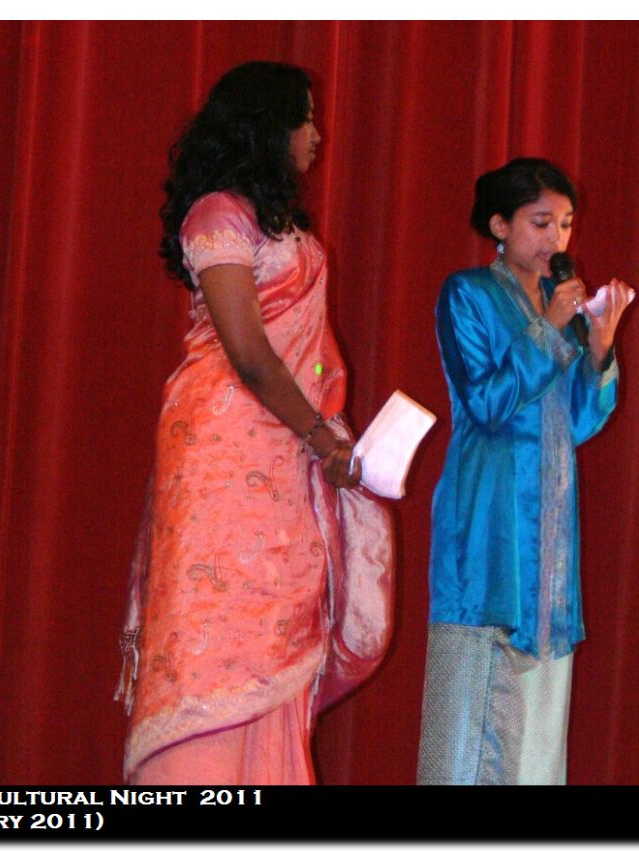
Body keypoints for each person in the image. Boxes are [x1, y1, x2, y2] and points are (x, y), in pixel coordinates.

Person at [116, 61, 390, 785]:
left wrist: (327, 425)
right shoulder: (217, 215)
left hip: (288, 444)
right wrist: (319, 435)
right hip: (225, 444)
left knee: (274, 627)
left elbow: (310, 355)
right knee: (216, 628)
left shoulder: (282, 225)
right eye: (306, 118)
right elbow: (248, 352)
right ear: (270, 126)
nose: (316, 134)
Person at [417, 158, 635, 785]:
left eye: (565, 224)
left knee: (539, 726)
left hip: (550, 531)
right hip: (488, 523)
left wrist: (599, 351)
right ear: (499, 225)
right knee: (475, 718)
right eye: (540, 223)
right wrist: (550, 329)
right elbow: (486, 403)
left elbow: (578, 422)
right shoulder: (468, 295)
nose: (556, 240)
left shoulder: (555, 306)